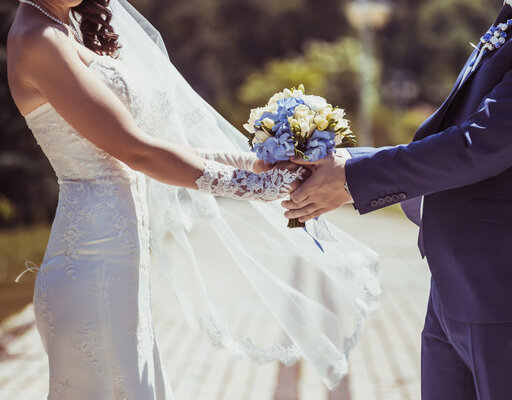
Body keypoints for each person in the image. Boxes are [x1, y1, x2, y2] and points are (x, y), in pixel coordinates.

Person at [6, 0, 381, 398]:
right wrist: (254, 187)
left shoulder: (67, 30)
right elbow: (138, 152)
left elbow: (160, 145)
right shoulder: (38, 39)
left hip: (120, 262)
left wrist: (258, 166)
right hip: (90, 260)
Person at [284, 0, 512, 399]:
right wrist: (347, 161)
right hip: (453, 287)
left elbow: (482, 144)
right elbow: (456, 135)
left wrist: (352, 180)